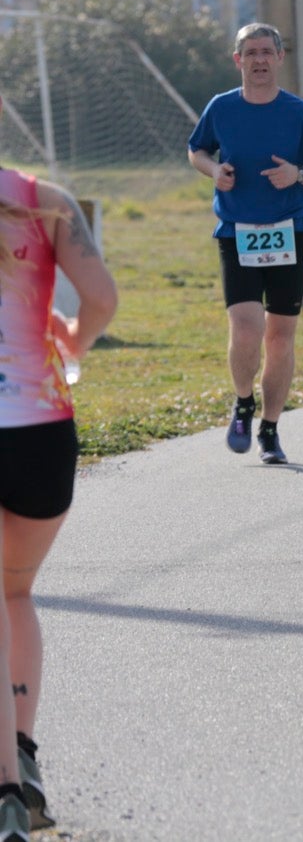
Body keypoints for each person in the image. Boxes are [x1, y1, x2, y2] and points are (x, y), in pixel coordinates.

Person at [0, 166, 117, 837]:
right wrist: (74, 338)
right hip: (41, 432)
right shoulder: (45, 201)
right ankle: (23, 754)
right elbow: (100, 297)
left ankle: (5, 791)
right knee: (15, 593)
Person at [186, 23, 303, 465]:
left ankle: (270, 430)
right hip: (237, 232)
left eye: (265, 52)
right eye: (249, 52)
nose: (258, 60)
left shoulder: (299, 113)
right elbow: (196, 150)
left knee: (279, 337)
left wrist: (300, 175)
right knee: (247, 328)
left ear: (279, 58)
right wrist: (214, 171)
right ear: (238, 60)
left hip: (289, 233)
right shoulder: (221, 108)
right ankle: (242, 402)